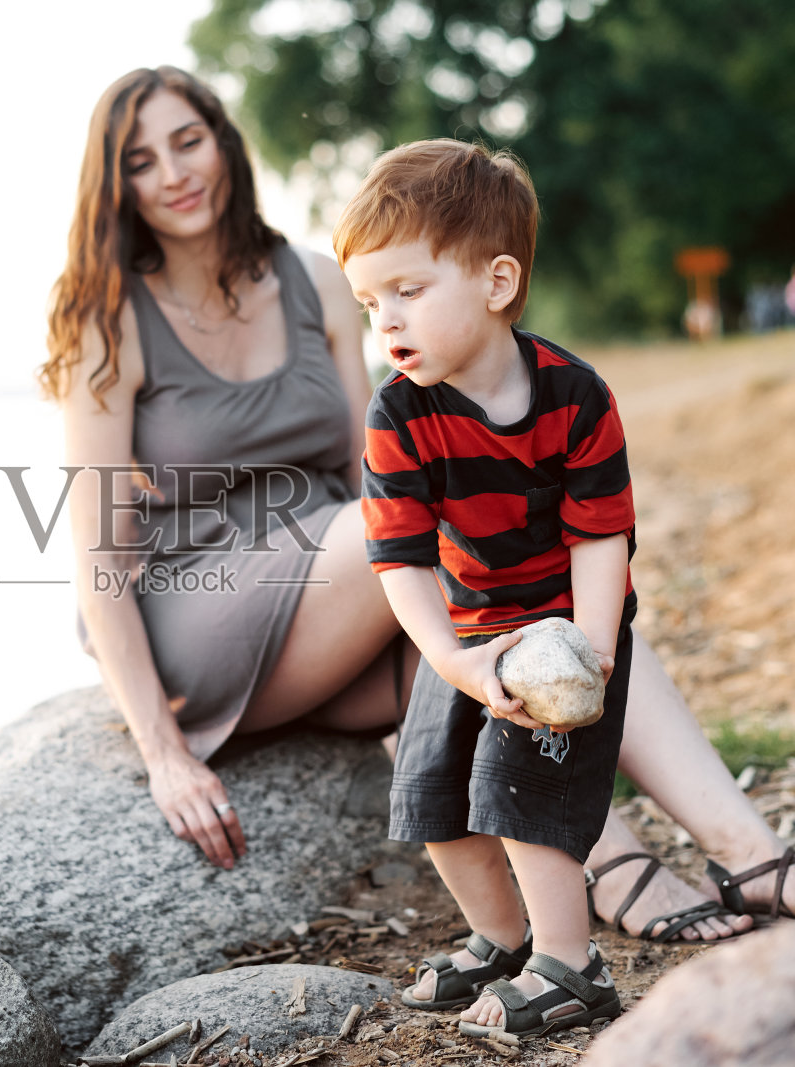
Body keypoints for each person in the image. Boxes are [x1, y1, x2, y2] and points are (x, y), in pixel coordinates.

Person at [38, 65, 795, 951]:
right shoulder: (109, 316)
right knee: (476, 558)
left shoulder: (319, 281)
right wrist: (162, 751)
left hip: (339, 600)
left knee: (531, 611)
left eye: (189, 140)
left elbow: (359, 459)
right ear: (114, 184)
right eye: (140, 160)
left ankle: (742, 849)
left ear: (223, 141)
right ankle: (620, 868)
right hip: (199, 607)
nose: (173, 173)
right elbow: (100, 552)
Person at [342, 138, 633, 1034]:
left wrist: (587, 656)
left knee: (522, 794)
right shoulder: (398, 411)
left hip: (557, 632)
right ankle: (499, 938)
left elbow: (600, 537)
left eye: (408, 291)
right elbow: (400, 557)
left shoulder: (574, 398)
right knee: (432, 791)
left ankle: (571, 962)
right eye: (369, 302)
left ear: (497, 283)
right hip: (468, 630)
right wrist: (456, 661)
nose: (386, 320)